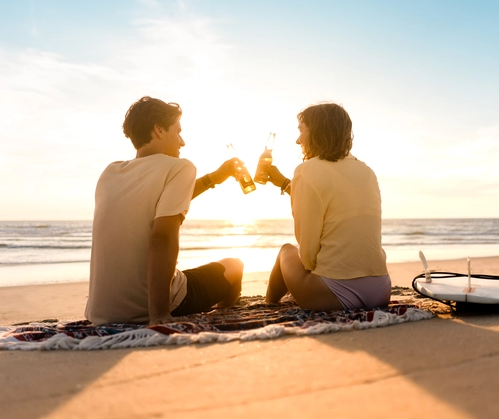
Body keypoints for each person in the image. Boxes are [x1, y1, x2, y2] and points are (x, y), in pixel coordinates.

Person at [85, 96, 245, 326]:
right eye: (178, 132)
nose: (182, 142)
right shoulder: (180, 166)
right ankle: (225, 311)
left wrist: (214, 178)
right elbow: (161, 238)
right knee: (235, 265)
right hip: (153, 306)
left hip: (101, 313)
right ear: (159, 130)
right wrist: (159, 314)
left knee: (188, 274)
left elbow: (159, 201)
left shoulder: (110, 173)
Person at [260, 103, 391, 311]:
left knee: (286, 251)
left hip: (334, 296)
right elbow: (334, 197)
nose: (297, 140)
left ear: (317, 133)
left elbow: (308, 257)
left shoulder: (305, 171)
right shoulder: (367, 171)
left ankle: (268, 305)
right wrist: (285, 184)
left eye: (301, 131)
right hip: (380, 290)